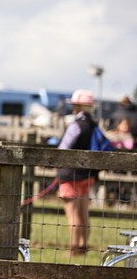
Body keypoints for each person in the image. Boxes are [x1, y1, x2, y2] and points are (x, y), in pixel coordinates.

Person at [56, 89, 100, 256]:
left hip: (70, 174)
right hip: (88, 175)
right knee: (83, 212)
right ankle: (83, 246)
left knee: (72, 213)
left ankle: (74, 248)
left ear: (78, 105)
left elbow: (63, 148)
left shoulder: (76, 125)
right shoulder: (93, 125)